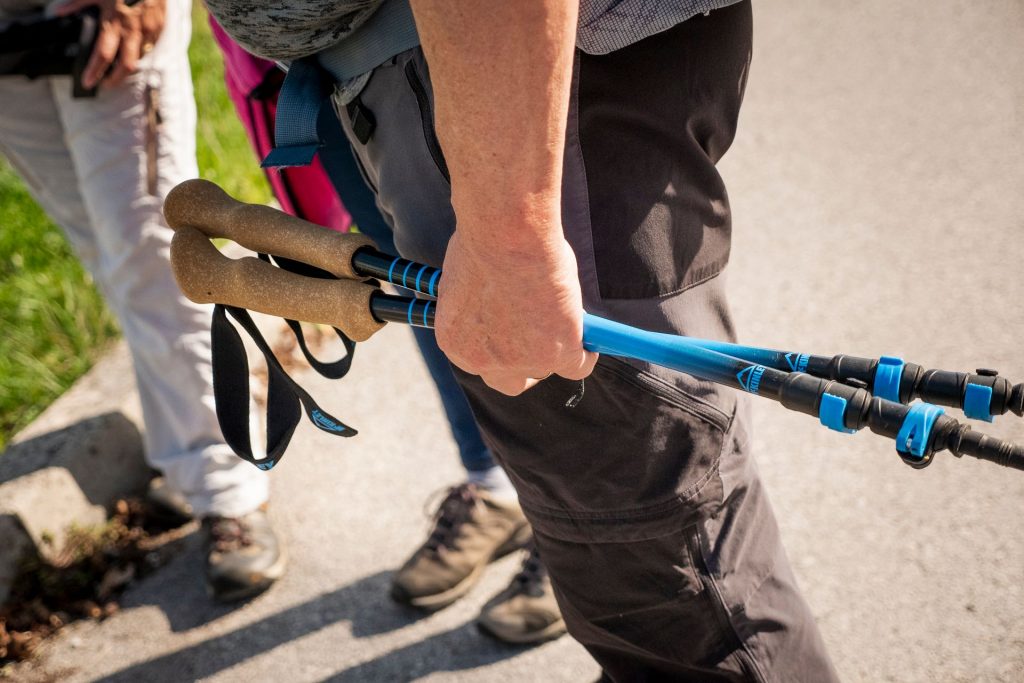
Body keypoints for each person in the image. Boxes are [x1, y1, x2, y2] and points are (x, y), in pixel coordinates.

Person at [206, 0, 842, 679]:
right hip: (457, 73)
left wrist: (512, 230)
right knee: (636, 577)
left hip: (496, 70)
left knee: (671, 588)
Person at [208, 21, 564, 644]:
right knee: (426, 287)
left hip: (427, 39)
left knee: (522, 283)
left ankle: (572, 522)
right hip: (314, 65)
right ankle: (498, 488)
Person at [0, 0, 282, 603]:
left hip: (106, 16)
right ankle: (187, 453)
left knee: (158, 254)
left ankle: (228, 487)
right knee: (108, 253)